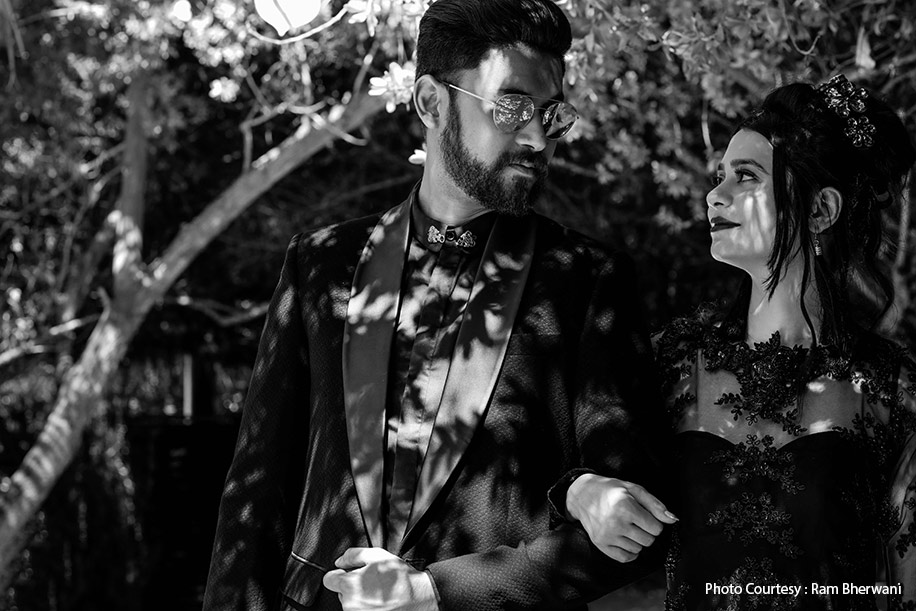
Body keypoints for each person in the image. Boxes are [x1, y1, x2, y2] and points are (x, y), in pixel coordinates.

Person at [202, 1, 672, 609]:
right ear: (430, 102)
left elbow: (639, 524)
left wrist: (435, 593)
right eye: (511, 108)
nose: (537, 137)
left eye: (551, 114)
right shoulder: (319, 264)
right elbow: (255, 495)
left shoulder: (587, 279)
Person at [559, 76, 916, 609]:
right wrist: (579, 491)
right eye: (719, 176)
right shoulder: (671, 365)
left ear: (820, 210)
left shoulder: (893, 389)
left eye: (745, 176)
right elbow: (543, 455)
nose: (714, 194)